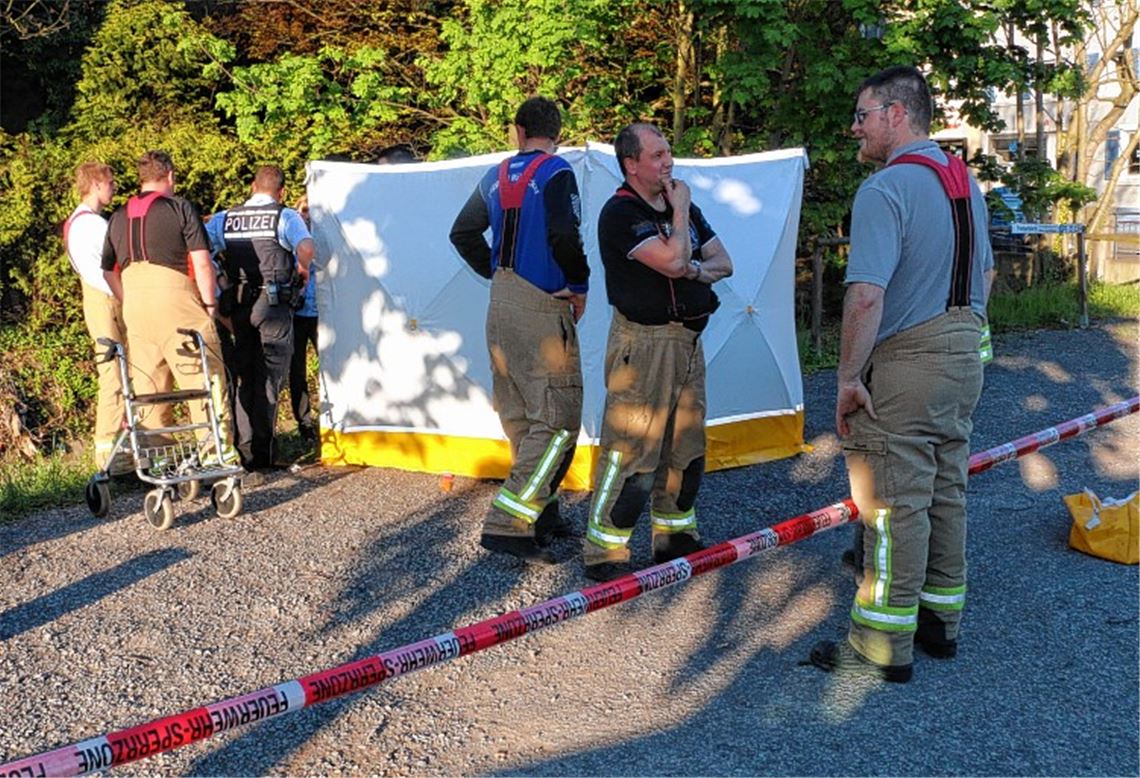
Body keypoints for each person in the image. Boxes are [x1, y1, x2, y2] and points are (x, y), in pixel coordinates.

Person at [807, 66, 994, 683]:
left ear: (896, 114)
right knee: (947, 489)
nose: (854, 128)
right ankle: (943, 623)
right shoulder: (966, 183)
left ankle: (881, 645)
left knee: (891, 502)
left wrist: (848, 379)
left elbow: (865, 296)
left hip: (907, 360)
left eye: (862, 115)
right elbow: (986, 277)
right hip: (966, 351)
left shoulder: (885, 190)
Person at [581, 123, 733, 582]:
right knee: (632, 447)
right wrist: (681, 215)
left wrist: (692, 269)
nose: (669, 162)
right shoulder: (621, 214)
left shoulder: (682, 208)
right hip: (642, 344)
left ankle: (674, 534)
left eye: (669, 153)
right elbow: (669, 261)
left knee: (686, 442)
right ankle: (604, 549)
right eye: (658, 155)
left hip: (686, 340)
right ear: (631, 164)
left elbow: (724, 263)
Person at [449, 96, 590, 563]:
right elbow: (564, 235)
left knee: (522, 417)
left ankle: (541, 516)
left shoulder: (495, 176)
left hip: (501, 304)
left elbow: (463, 232)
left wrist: (496, 274)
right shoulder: (556, 173)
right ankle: (509, 522)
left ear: (518, 130)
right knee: (557, 420)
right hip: (541, 305)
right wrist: (579, 284)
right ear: (557, 132)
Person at [100, 150, 238, 467]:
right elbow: (202, 263)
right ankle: (217, 456)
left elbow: (108, 270)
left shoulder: (118, 216)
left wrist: (128, 298)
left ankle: (159, 462)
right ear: (170, 176)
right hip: (178, 305)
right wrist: (208, 306)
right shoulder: (180, 208)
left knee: (149, 387)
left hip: (136, 307)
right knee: (204, 380)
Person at [206, 165, 314, 473]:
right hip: (274, 305)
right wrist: (303, 272)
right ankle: (263, 456)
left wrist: (221, 285)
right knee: (269, 379)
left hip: (240, 306)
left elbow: (202, 251)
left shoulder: (226, 218)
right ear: (280, 192)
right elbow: (306, 248)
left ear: (253, 187)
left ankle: (243, 452)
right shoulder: (285, 216)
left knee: (245, 378)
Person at [65, 162, 129, 474]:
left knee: (120, 374)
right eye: (110, 181)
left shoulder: (80, 221)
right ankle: (106, 457)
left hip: (100, 298)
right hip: (105, 300)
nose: (114, 186)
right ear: (95, 184)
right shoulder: (91, 225)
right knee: (114, 376)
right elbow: (110, 268)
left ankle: (119, 452)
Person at [286, 194, 318, 448]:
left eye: (310, 210)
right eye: (303, 210)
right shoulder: (290, 241)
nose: (306, 215)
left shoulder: (325, 239)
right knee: (296, 371)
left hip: (322, 313)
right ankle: (304, 424)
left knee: (331, 369)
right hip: (296, 315)